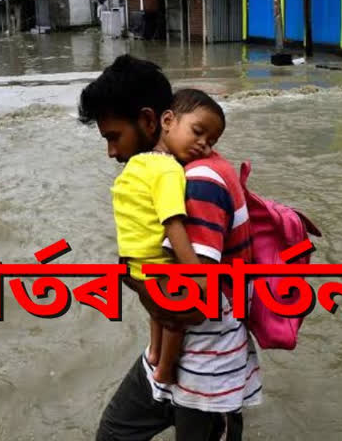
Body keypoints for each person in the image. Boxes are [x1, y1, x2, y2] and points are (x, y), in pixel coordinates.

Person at [79, 56, 262, 441]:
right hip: (180, 355)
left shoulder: (198, 183)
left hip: (205, 363)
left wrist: (132, 277)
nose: (112, 152)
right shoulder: (174, 172)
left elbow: (191, 303)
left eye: (114, 137)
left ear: (150, 121)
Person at [110, 86, 226, 384]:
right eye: (198, 131)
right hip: (158, 264)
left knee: (157, 310)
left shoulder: (137, 162)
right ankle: (165, 369)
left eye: (211, 141)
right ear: (167, 121)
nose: (203, 144)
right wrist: (200, 277)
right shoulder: (169, 171)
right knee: (178, 315)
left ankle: (153, 353)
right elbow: (173, 225)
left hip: (133, 265)